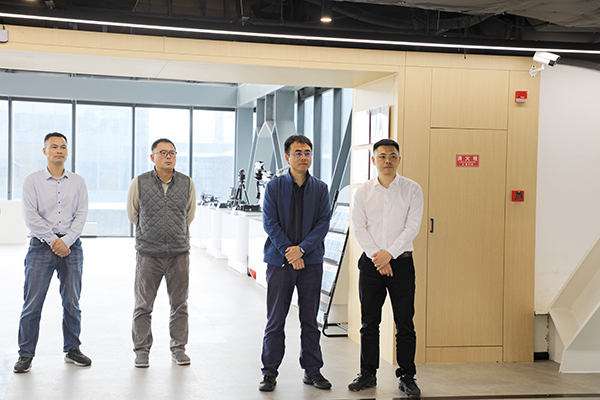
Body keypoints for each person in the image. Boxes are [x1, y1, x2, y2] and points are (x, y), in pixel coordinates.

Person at [348, 138, 424, 397]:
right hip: (371, 266)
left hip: (401, 264)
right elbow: (359, 227)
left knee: (405, 323)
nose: (387, 161)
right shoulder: (363, 191)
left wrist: (389, 254)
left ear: (399, 159)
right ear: (374, 160)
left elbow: (412, 226)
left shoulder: (412, 189)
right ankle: (367, 373)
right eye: (382, 156)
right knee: (369, 322)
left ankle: (407, 376)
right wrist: (378, 258)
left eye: (392, 156)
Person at [258, 134, 332, 392]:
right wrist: (289, 252)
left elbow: (323, 223)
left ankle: (313, 371)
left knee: (310, 320)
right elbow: (270, 222)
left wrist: (301, 250)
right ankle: (269, 373)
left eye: (307, 152)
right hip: (280, 263)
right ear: (287, 157)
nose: (303, 157)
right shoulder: (274, 187)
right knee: (275, 320)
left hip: (311, 263)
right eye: (298, 153)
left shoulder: (321, 188)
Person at [14, 132, 90, 373]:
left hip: (72, 247)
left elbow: (81, 216)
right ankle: (25, 354)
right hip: (40, 247)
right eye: (54, 146)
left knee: (72, 302)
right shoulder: (32, 181)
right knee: (32, 304)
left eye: (63, 147)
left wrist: (66, 241)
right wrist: (53, 241)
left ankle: (73, 349)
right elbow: (30, 216)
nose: (59, 150)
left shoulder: (78, 182)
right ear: (44, 151)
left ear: (67, 151)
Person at [126, 138, 196, 368]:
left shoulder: (187, 183)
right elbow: (133, 214)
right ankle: (141, 351)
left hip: (179, 253)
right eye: (163, 152)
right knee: (143, 305)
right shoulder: (139, 182)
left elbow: (188, 215)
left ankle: (179, 348)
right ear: (152, 157)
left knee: (180, 304)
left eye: (172, 153)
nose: (168, 157)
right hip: (148, 253)